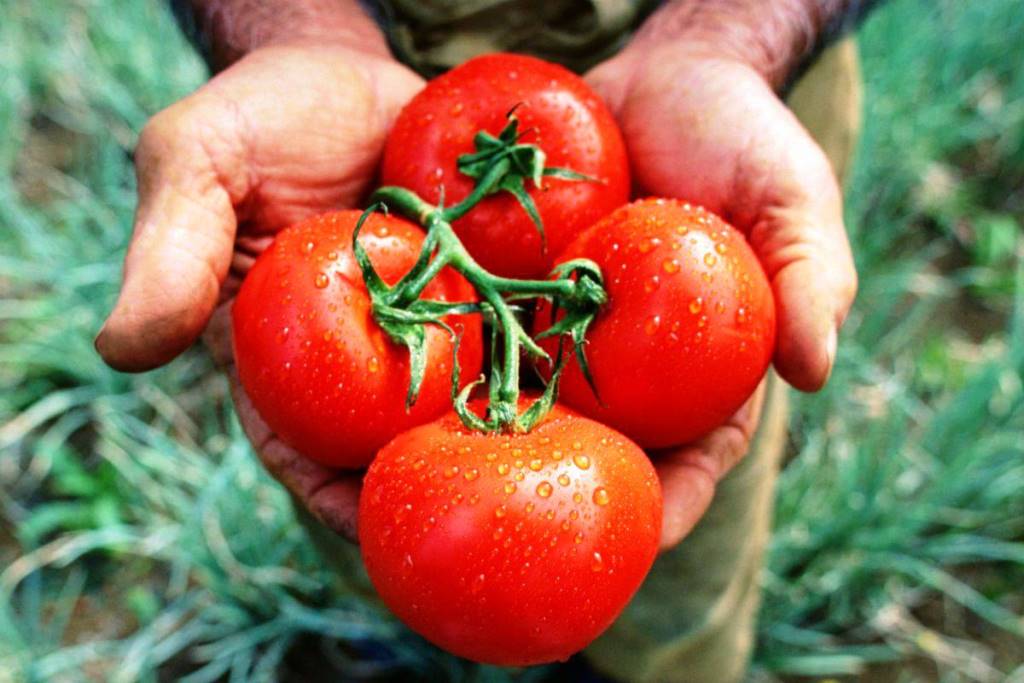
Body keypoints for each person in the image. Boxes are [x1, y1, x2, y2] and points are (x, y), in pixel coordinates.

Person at [95, 1, 871, 680]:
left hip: (729, 99)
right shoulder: (360, 274)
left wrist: (726, 34)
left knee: (691, 560)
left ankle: (654, 668)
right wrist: (295, 24)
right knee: (360, 524)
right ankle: (400, 635)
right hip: (332, 102)